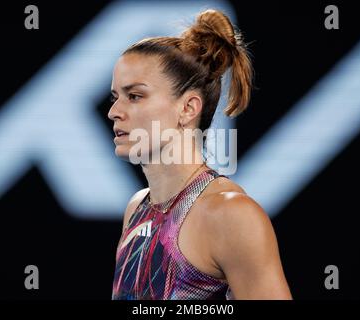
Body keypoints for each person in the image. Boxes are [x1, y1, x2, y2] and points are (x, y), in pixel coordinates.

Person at [108, 9, 292, 300]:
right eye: (115, 96)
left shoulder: (231, 215)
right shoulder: (136, 208)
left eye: (135, 96)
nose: (114, 112)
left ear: (188, 108)